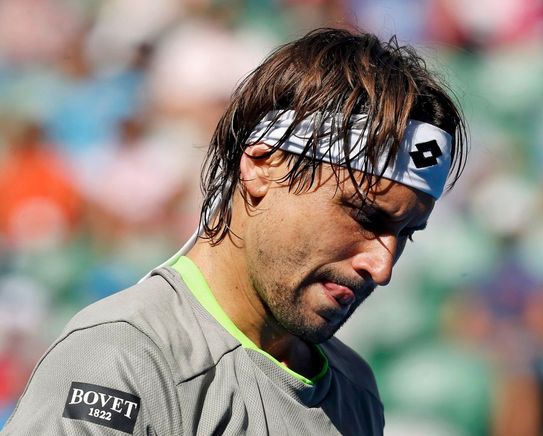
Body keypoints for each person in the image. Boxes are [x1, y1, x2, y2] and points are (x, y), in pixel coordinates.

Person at [2, 28, 467, 435]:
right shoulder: (122, 359)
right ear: (262, 166)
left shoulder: (354, 388)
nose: (382, 267)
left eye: (405, 233)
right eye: (365, 216)